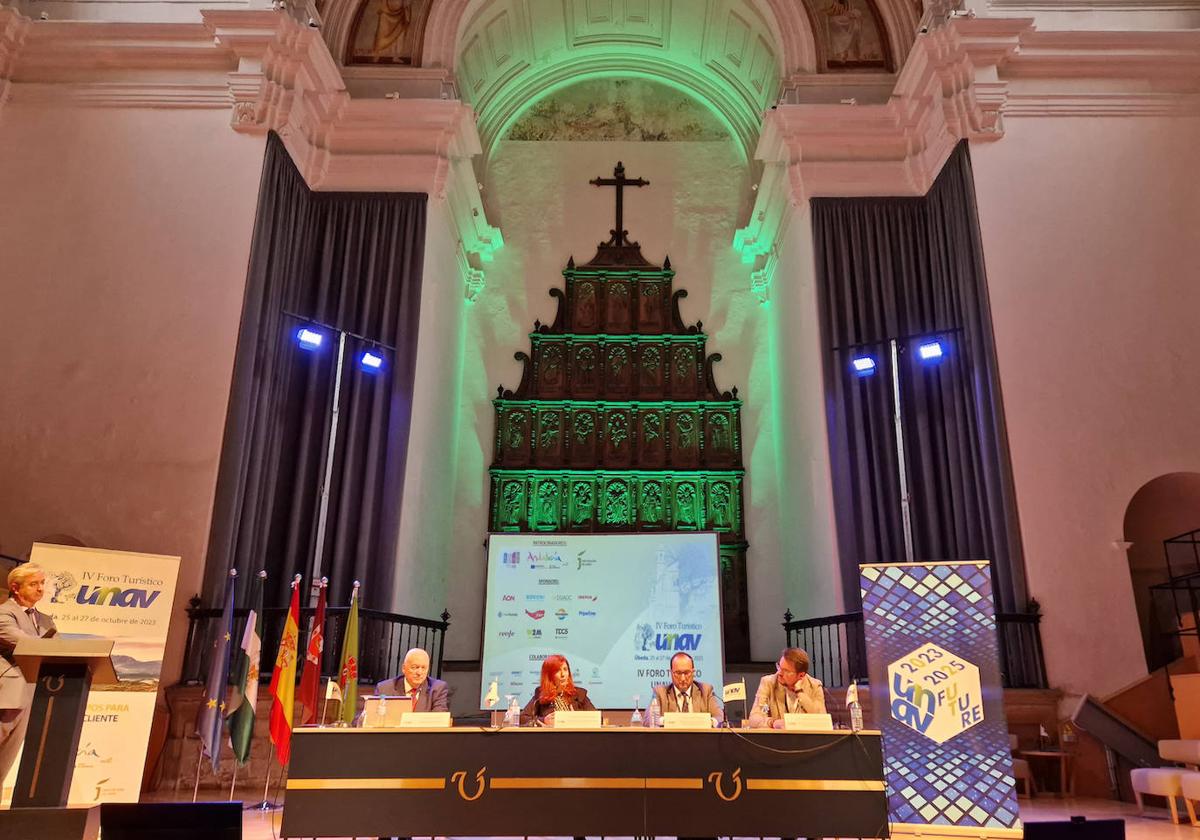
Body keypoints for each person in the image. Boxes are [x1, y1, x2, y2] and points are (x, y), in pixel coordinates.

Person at [0, 563, 58, 779]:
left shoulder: (45, 620)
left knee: (4, 764)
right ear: (15, 588)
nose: (41, 588)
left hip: (32, 695)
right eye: (33, 584)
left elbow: (58, 650)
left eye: (42, 583)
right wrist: (50, 645)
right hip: (6, 696)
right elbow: (25, 644)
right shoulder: (4, 613)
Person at [749, 647, 826, 729]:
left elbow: (822, 721)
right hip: (777, 736)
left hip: (804, 736)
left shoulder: (814, 686)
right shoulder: (769, 683)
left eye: (786, 671)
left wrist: (800, 693)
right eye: (779, 667)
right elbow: (754, 718)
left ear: (801, 675)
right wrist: (772, 722)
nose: (779, 673)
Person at [647, 651, 723, 725]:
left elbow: (720, 718)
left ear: (693, 672)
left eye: (687, 673)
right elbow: (648, 721)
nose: (683, 678)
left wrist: (705, 722)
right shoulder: (660, 692)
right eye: (678, 673)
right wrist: (671, 721)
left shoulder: (706, 691)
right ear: (671, 673)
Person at [520, 653, 595, 726]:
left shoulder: (579, 694)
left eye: (565, 669)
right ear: (549, 675)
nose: (563, 674)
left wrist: (577, 718)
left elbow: (597, 718)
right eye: (558, 671)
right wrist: (543, 720)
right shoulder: (541, 694)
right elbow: (522, 718)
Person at [376, 648, 449, 712]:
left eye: (423, 668)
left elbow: (438, 718)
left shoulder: (437, 689)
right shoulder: (385, 689)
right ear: (403, 668)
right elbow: (377, 717)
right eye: (414, 667)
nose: (419, 673)